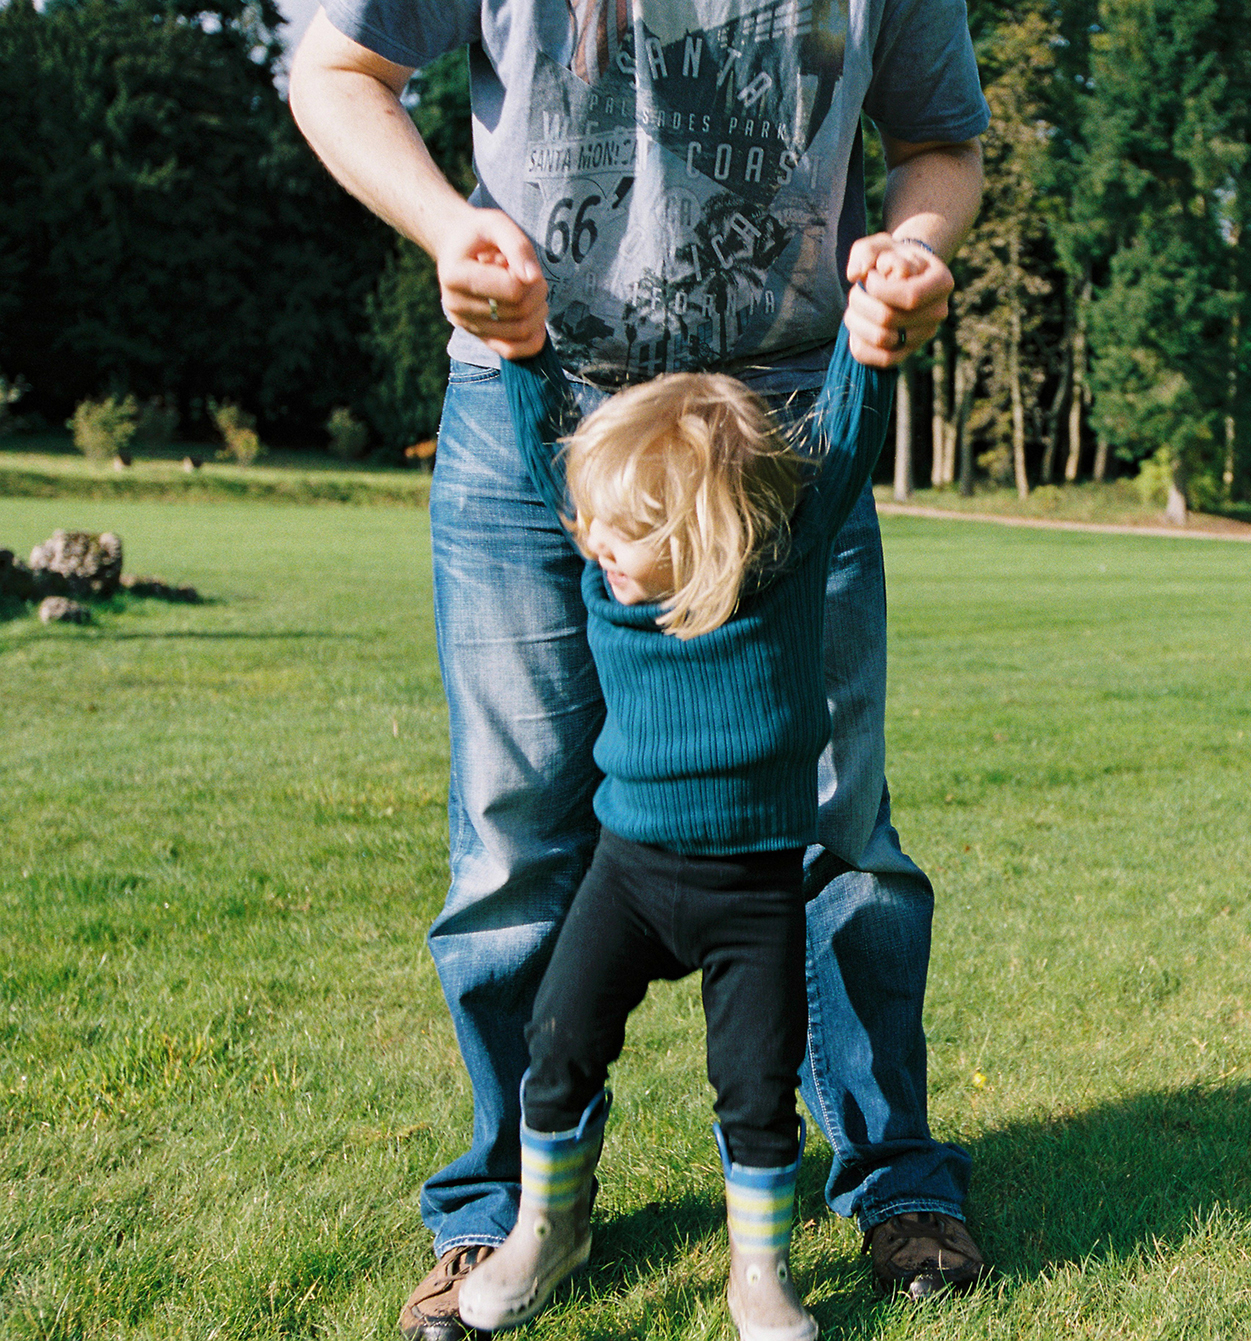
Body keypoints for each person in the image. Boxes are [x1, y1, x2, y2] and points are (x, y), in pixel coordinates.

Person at [286, 1, 989, 1335]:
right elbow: (335, 68)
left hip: (782, 425)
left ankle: (895, 1180)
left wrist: (904, 254)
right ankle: (506, 1211)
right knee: (509, 841)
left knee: (843, 837)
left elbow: (941, 144)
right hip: (531, 401)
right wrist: (452, 231)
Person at [457, 296, 901, 1338]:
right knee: (557, 1046)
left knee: (755, 1090)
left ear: (706, 529)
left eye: (624, 530)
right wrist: (524, 350)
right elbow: (538, 453)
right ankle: (547, 1226)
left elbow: (840, 448)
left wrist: (867, 346)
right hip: (628, 878)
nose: (593, 543)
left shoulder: (776, 574)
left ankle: (760, 1273)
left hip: (751, 895)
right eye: (593, 524)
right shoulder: (614, 587)